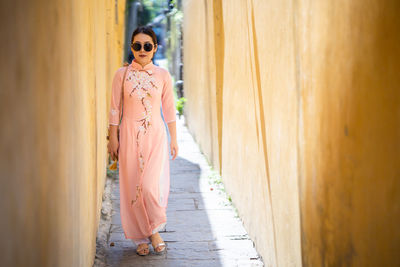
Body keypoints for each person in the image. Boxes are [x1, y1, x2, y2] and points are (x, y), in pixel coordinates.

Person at [107, 26, 178, 256]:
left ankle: (153, 231)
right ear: (132, 47)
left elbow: (168, 109)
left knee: (148, 187)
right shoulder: (122, 74)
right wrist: (113, 138)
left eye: (147, 46)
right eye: (137, 45)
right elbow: (114, 109)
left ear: (155, 48)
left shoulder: (163, 75)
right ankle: (141, 238)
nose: (142, 50)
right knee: (133, 188)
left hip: (155, 137)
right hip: (128, 136)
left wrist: (173, 139)